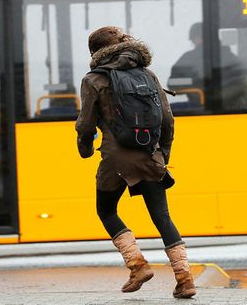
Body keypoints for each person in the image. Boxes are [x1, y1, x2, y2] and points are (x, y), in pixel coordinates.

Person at [75, 26, 196, 299]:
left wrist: (84, 147)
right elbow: (167, 119)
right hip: (149, 154)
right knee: (161, 216)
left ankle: (137, 265)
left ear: (95, 52)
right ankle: (185, 279)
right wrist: (163, 153)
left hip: (115, 157)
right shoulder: (147, 74)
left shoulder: (94, 79)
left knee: (106, 210)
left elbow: (86, 124)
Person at [168, 22, 204, 107]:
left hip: (198, 106)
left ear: (197, 37)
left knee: (165, 112)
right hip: (229, 107)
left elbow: (172, 85)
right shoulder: (229, 56)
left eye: (193, 40)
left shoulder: (189, 58)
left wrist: (192, 82)